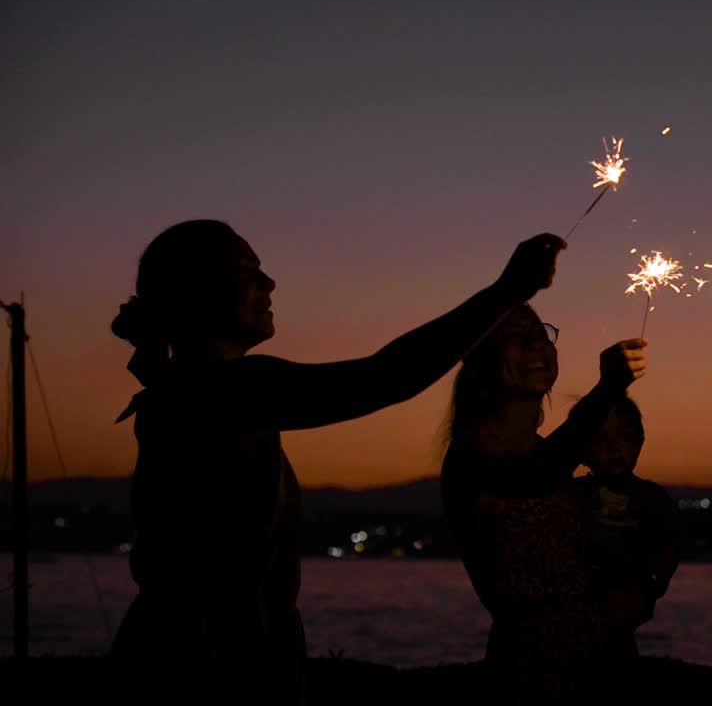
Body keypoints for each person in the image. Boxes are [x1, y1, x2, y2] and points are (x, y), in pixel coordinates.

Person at [109, 219, 564, 705]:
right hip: (202, 674)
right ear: (198, 290)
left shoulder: (192, 392)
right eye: (247, 270)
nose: (269, 283)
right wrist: (504, 292)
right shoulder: (222, 391)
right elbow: (384, 378)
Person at [440, 303, 647, 705]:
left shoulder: (551, 455)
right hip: (529, 679)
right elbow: (530, 478)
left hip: (604, 669)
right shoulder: (472, 456)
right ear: (481, 358)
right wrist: (606, 390)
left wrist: (640, 586)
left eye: (541, 334)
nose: (536, 344)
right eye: (515, 337)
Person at [572, 396, 681, 660]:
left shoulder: (652, 497)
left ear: (639, 443)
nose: (614, 449)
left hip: (629, 595)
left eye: (625, 437)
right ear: (582, 451)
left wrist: (658, 579)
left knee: (618, 650)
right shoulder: (573, 494)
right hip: (579, 602)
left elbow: (670, 542)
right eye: (600, 440)